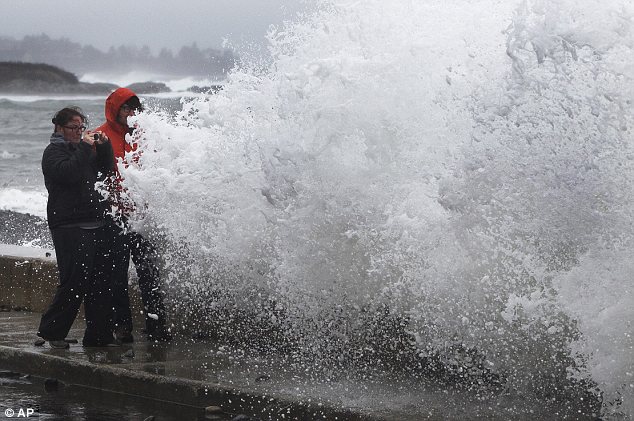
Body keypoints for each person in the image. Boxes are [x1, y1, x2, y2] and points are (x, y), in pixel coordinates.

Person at [38, 106, 119, 348]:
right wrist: (84, 147)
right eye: (73, 128)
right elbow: (68, 174)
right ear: (59, 128)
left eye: (81, 128)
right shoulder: (53, 152)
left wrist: (104, 146)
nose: (78, 132)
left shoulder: (84, 151)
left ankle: (99, 335)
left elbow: (106, 171)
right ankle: (52, 332)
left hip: (95, 220)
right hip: (68, 225)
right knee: (74, 280)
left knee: (101, 280)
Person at [96, 87, 171, 343]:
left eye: (134, 108)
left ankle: (157, 325)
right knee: (116, 274)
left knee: (149, 272)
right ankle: (122, 326)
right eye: (126, 108)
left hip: (141, 217)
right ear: (115, 110)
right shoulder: (100, 136)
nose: (130, 113)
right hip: (115, 217)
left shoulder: (143, 136)